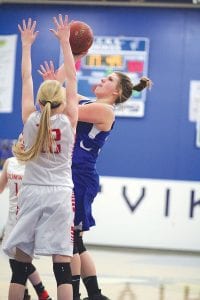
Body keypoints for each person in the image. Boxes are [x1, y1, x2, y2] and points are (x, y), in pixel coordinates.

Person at [39, 54, 152, 300]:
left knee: (71, 241)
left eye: (109, 79)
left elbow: (66, 106)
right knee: (76, 241)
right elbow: (61, 93)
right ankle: (94, 294)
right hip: (72, 174)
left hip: (80, 176)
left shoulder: (104, 110)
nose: (102, 79)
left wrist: (68, 62)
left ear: (117, 91)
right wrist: (62, 73)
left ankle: (78, 294)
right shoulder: (92, 102)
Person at [3, 13, 78, 300]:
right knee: (62, 265)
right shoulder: (70, 118)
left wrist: (26, 45)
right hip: (60, 193)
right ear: (61, 101)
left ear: (39, 100)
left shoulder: (29, 118)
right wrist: (65, 42)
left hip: (32, 192)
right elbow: (71, 76)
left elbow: (24, 77)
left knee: (20, 267)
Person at [0, 134, 52, 300]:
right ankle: (37, 293)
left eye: (26, 140)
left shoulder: (37, 165)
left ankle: (36, 293)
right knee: (15, 262)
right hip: (12, 220)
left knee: (20, 263)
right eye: (21, 139)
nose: (22, 143)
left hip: (29, 221)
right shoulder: (10, 162)